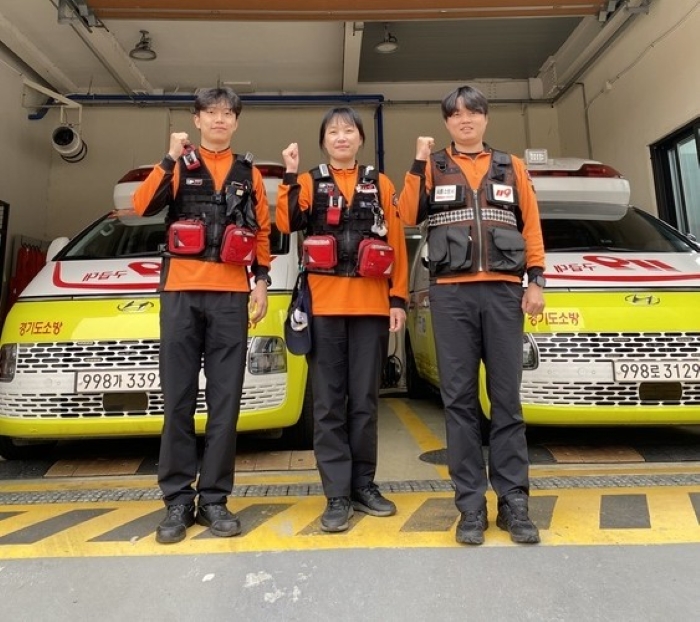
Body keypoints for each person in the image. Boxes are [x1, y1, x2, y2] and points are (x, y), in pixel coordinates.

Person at [397, 85, 546, 545]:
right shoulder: (433, 166)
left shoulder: (511, 165)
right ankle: (471, 506)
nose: (466, 120)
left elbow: (531, 224)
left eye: (473, 112)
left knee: (507, 401)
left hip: (503, 293)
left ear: (485, 118)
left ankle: (514, 502)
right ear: (447, 122)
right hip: (452, 296)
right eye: (457, 114)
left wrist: (536, 280)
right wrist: (417, 162)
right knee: (459, 402)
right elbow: (406, 214)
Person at [133, 87, 272, 544]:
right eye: (210, 112)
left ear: (236, 121)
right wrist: (168, 158)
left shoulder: (248, 172)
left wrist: (261, 281)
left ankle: (214, 498)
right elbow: (141, 206)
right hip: (181, 294)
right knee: (177, 398)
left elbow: (261, 230)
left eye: (227, 113)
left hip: (231, 295)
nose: (219, 119)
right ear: (196, 120)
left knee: (225, 402)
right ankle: (177, 500)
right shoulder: (178, 165)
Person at [277, 107, 409, 533]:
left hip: (371, 307)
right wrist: (288, 174)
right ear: (323, 141)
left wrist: (398, 299)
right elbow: (286, 222)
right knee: (328, 404)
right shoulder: (308, 182)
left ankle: (363, 485)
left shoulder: (381, 183)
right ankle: (336, 494)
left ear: (360, 139)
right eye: (333, 131)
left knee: (365, 403)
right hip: (324, 308)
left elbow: (397, 241)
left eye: (348, 130)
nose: (341, 137)